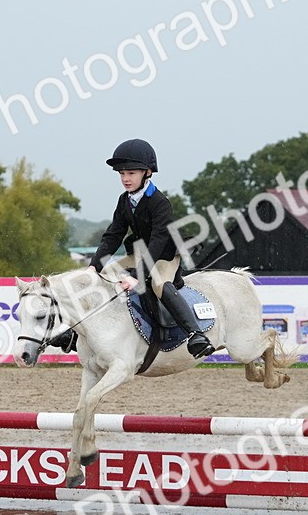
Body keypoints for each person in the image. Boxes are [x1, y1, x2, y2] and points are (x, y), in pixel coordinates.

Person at [86, 138, 214, 358]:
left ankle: (196, 335)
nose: (125, 179)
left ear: (147, 173)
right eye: (121, 173)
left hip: (163, 255)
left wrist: (137, 276)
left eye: (131, 173)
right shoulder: (124, 200)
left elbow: (158, 241)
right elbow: (114, 234)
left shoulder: (159, 202)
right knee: (104, 275)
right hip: (139, 253)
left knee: (158, 284)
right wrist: (94, 266)